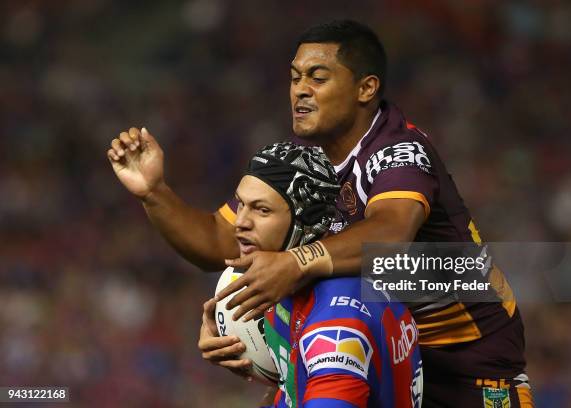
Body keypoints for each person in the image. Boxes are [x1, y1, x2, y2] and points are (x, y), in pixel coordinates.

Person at [107, 20, 532, 407]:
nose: (299, 90)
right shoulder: (301, 165)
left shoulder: (399, 152)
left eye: (317, 77)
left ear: (366, 89)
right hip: (377, 359)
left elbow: (391, 235)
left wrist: (294, 263)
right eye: (294, 78)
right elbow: (222, 241)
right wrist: (154, 194)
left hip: (467, 381)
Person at [200, 142, 423, 407]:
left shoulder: (336, 326)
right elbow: (296, 386)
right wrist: (238, 342)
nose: (241, 222)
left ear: (305, 220)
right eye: (242, 205)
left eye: (262, 210)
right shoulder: (284, 286)